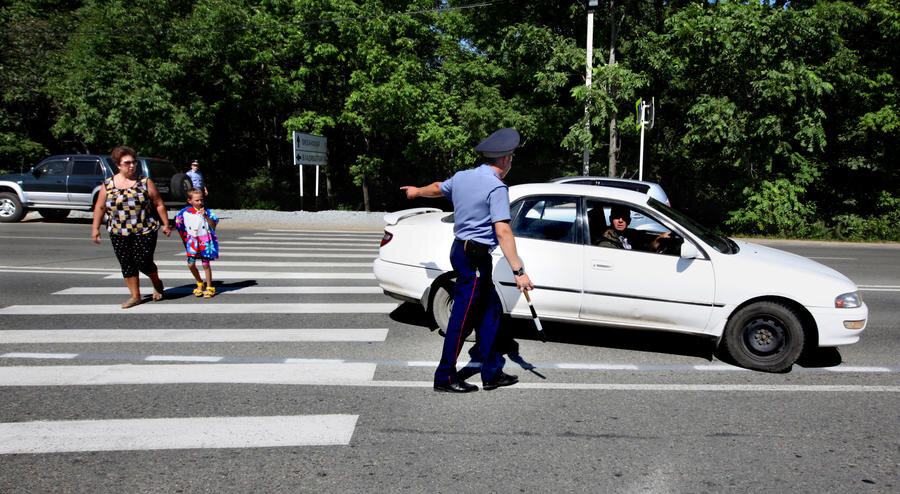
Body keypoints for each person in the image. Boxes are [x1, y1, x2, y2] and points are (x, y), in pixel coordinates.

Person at [401, 128, 534, 393]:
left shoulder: (463, 177)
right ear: (506, 159)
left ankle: (491, 372)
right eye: (512, 158)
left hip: (465, 253)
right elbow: (503, 231)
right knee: (462, 319)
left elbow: (439, 188)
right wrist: (519, 271)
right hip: (473, 259)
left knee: (492, 310)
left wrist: (416, 192)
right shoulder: (496, 187)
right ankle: (445, 377)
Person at [91, 146, 172, 308]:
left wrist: (165, 224)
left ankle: (156, 282)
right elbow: (100, 207)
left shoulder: (144, 182)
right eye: (127, 163)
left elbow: (159, 204)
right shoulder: (108, 185)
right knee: (127, 263)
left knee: (143, 261)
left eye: (134, 162)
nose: (132, 166)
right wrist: (95, 228)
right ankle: (135, 296)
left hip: (145, 230)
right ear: (118, 165)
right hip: (118, 231)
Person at [175, 188, 219, 298]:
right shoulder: (185, 212)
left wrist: (206, 216)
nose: (199, 203)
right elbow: (178, 223)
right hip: (192, 241)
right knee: (191, 264)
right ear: (189, 200)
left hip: (204, 241)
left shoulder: (207, 212)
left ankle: (209, 286)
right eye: (196, 200)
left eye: (201, 200)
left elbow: (213, 225)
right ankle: (199, 282)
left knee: (206, 264)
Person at [595, 204, 670, 251]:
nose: (620, 221)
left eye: (624, 217)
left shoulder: (631, 236)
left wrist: (656, 242)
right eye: (617, 217)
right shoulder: (606, 243)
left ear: (629, 220)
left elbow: (643, 249)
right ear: (611, 219)